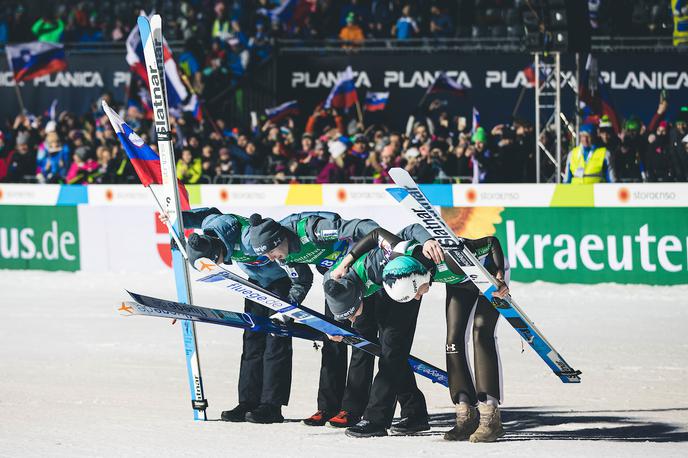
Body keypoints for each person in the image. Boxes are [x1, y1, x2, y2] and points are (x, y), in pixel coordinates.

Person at [246, 212, 438, 428]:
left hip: (368, 274)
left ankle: (355, 408)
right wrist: (286, 310)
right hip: (339, 282)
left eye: (271, 252)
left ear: (279, 240)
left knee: (373, 345)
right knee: (335, 338)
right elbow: (301, 281)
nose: (271, 259)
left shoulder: (313, 230)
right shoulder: (284, 256)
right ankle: (329, 406)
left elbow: (366, 226)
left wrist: (363, 255)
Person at [331, 227, 509, 442]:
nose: (417, 299)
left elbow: (490, 242)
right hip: (458, 282)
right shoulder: (399, 262)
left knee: (481, 334)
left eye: (415, 293)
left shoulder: (448, 258)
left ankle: (491, 417)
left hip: (488, 274)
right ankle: (465, 415)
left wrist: (498, 274)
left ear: (419, 278)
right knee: (453, 342)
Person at [166, 208, 313, 424]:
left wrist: (291, 303)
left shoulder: (248, 240)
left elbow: (296, 266)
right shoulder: (213, 225)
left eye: (215, 263)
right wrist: (175, 217)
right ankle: (248, 401)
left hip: (282, 283)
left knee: (275, 342)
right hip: (254, 284)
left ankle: (271, 406)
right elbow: (206, 213)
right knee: (251, 340)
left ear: (218, 252)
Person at [322, 227, 445, 438]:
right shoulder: (335, 278)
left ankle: (376, 419)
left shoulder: (386, 257)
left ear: (358, 298)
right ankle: (414, 411)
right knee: (388, 353)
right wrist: (337, 326)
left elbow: (383, 232)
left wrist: (427, 240)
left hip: (405, 284)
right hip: (382, 289)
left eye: (351, 315)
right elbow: (337, 300)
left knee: (392, 351)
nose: (352, 320)